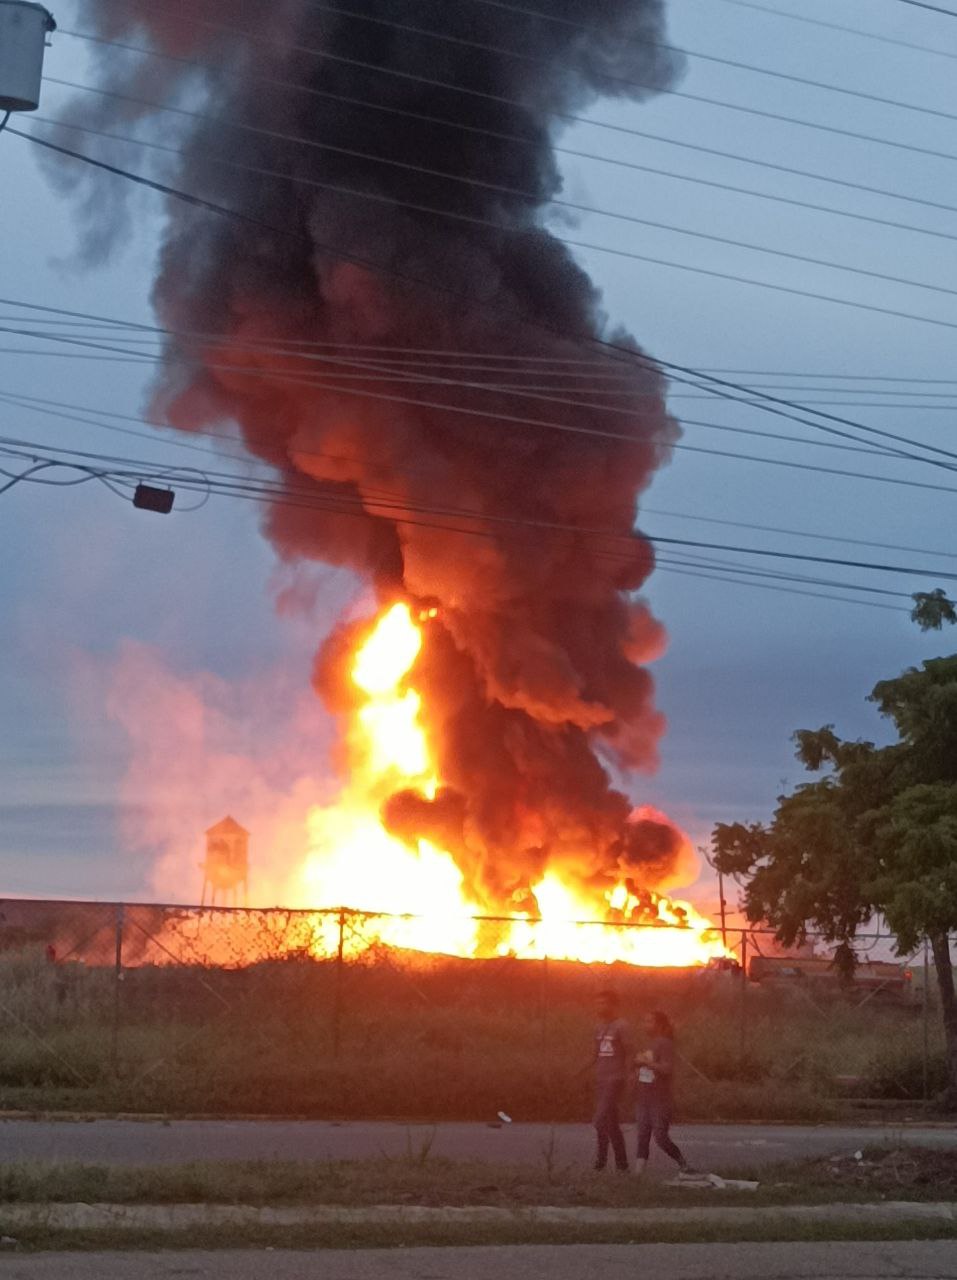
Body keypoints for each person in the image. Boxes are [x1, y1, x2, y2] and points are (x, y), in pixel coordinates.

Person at [634, 1010, 692, 1176]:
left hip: (659, 1099)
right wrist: (638, 1069)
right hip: (644, 1097)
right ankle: (638, 1174)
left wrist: (646, 1062)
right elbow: (646, 1069)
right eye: (644, 1021)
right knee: (642, 1136)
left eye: (649, 1021)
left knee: (660, 1137)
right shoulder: (650, 1043)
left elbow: (667, 1069)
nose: (645, 1025)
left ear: (659, 1025)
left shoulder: (665, 1043)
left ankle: (683, 1163)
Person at [589, 989, 632, 1173]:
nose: (600, 1006)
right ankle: (622, 1165)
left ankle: (600, 1161)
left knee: (599, 1120)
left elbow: (630, 1050)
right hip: (601, 1078)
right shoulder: (598, 1027)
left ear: (614, 1005)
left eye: (604, 1003)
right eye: (598, 1003)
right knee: (611, 1123)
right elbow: (595, 1054)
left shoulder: (622, 1026)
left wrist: (631, 1074)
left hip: (615, 1079)